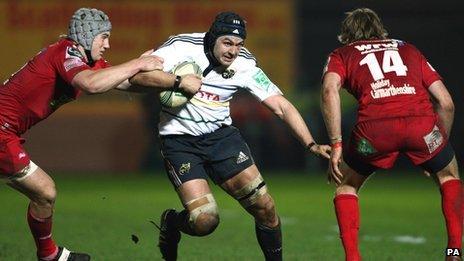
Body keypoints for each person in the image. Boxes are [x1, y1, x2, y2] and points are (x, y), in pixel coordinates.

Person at [130, 11, 331, 261]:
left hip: (222, 140)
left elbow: (281, 105)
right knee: (204, 221)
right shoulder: (180, 46)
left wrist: (310, 144)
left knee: (265, 207)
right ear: (212, 37)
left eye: (239, 45)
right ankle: (172, 222)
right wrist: (178, 81)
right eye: (227, 43)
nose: (233, 51)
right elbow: (138, 76)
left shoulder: (244, 64)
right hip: (179, 142)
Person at [0, 7, 164, 261]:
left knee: (44, 193)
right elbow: (91, 84)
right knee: (45, 191)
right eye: (104, 36)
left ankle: (49, 255)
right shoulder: (66, 52)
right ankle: (49, 256)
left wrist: (172, 81)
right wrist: (138, 63)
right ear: (87, 35)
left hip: (6, 134)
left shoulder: (86, 61)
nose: (108, 44)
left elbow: (124, 82)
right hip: (1, 132)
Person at [321, 8, 461, 261]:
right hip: (421, 126)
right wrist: (437, 147)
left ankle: (353, 258)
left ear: (346, 34)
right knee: (449, 174)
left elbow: (330, 91)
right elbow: (446, 103)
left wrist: (336, 144)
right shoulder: (408, 49)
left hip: (374, 132)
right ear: (379, 28)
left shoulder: (341, 54)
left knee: (347, 187)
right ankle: (454, 251)